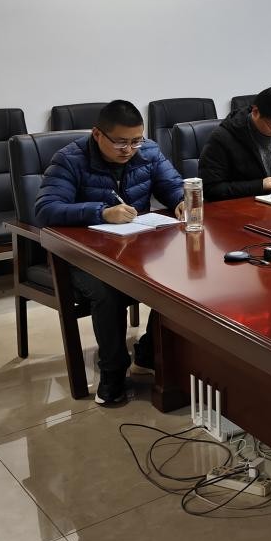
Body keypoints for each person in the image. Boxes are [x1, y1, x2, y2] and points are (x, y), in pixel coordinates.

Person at [34, 100, 184, 406]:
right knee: (108, 290)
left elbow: (173, 186)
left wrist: (182, 200)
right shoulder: (69, 159)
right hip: (78, 257)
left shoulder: (148, 151)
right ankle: (112, 373)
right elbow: (46, 209)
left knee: (178, 278)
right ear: (97, 134)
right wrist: (101, 212)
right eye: (120, 142)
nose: (129, 149)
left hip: (133, 249)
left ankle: (147, 354)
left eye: (136, 141)